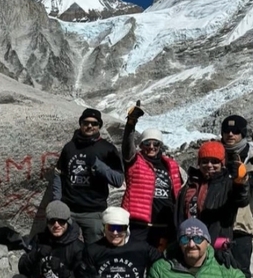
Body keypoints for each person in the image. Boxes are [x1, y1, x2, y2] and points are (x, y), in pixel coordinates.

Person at [53, 108, 124, 244]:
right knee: (66, 249)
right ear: (80, 124)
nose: (90, 126)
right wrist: (58, 202)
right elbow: (58, 174)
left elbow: (118, 180)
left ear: (99, 126)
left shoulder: (107, 149)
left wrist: (99, 165)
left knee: (94, 251)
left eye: (94, 123)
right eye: (86, 122)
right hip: (69, 210)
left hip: (94, 213)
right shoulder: (69, 147)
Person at [121, 101, 183, 250]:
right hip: (139, 225)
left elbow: (178, 192)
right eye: (147, 143)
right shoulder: (135, 161)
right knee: (138, 260)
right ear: (141, 145)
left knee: (161, 265)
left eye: (156, 144)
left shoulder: (171, 165)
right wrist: (131, 123)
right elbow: (127, 147)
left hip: (165, 225)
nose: (151, 147)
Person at [175, 140, 249, 245]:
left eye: (215, 161)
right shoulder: (190, 184)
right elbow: (179, 215)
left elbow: (242, 199)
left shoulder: (227, 184)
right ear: (199, 163)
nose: (209, 165)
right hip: (188, 244)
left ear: (222, 163)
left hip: (216, 245)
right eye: (205, 161)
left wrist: (240, 180)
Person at [220, 114, 253, 278]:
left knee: (241, 275)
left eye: (235, 131)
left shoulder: (251, 160)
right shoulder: (216, 157)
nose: (230, 134)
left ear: (243, 134)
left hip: (242, 227)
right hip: (219, 225)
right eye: (227, 131)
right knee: (217, 274)